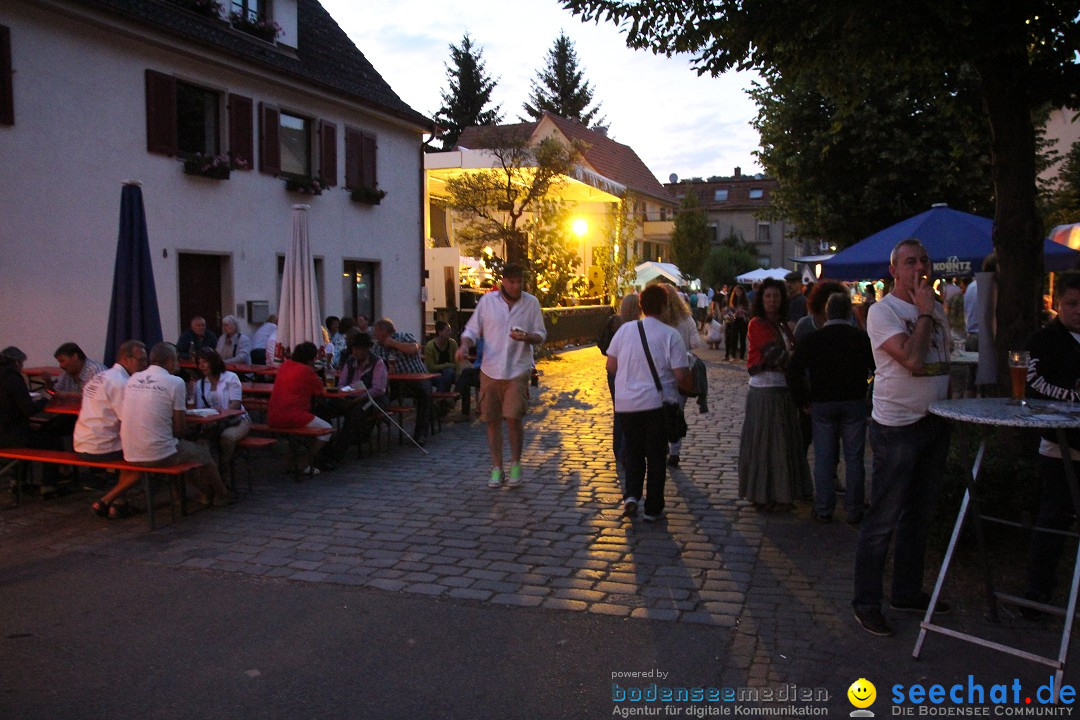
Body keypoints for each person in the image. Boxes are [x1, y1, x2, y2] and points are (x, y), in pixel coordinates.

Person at [852, 238, 952, 637]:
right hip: (897, 427)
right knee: (883, 519)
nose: (919, 267)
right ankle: (866, 602)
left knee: (919, 516)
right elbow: (911, 359)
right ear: (894, 270)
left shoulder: (938, 310)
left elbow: (940, 361)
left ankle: (907, 591)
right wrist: (925, 313)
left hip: (935, 421)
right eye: (910, 262)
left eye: (924, 260)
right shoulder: (883, 311)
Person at [605, 284, 693, 521]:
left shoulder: (624, 331)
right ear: (664, 307)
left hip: (626, 405)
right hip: (656, 405)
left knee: (633, 452)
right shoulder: (670, 335)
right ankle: (653, 508)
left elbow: (610, 366)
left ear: (641, 306)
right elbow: (680, 375)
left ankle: (632, 496)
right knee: (655, 456)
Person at [1021, 271, 1080, 618]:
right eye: (1072, 304)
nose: (1078, 311)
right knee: (1053, 519)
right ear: (1058, 304)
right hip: (1060, 446)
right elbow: (1034, 386)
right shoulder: (1043, 340)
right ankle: (1037, 590)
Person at [786, 293, 874, 524]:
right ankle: (854, 510)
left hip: (822, 403)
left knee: (823, 457)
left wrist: (803, 400)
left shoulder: (814, 339)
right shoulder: (861, 339)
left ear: (827, 312)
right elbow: (874, 371)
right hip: (854, 402)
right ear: (848, 313)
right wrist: (865, 387)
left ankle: (824, 508)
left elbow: (793, 370)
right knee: (854, 459)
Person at [457, 263, 547, 488]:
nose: (516, 286)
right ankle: (497, 467)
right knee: (491, 420)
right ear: (503, 281)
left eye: (519, 282)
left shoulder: (531, 303)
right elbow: (472, 330)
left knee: (514, 419)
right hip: (490, 369)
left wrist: (527, 337)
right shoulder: (488, 302)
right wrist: (465, 345)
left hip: (518, 368)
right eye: (512, 282)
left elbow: (541, 334)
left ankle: (516, 464)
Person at [120, 342, 234, 506]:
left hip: (129, 451)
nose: (179, 364)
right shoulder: (175, 382)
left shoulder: (133, 379)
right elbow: (180, 429)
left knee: (184, 450)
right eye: (177, 360)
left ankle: (196, 494)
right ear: (168, 361)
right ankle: (222, 495)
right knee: (201, 453)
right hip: (158, 453)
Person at [737, 277, 811, 511]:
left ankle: (782, 493)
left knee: (783, 444)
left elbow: (791, 354)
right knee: (766, 444)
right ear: (761, 299)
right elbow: (775, 355)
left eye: (776, 296)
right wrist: (795, 362)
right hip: (765, 390)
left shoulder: (782, 324)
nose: (772, 300)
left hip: (784, 390)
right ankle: (763, 494)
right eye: (768, 296)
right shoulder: (757, 324)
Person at [77, 340, 148, 519]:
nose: (145, 365)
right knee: (145, 459)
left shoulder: (101, 376)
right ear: (126, 359)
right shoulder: (122, 383)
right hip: (100, 445)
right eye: (141, 360)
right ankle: (106, 500)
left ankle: (119, 504)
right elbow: (128, 420)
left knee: (130, 449)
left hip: (82, 441)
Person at [0, 346, 64, 495]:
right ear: (17, 363)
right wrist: (46, 399)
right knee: (51, 441)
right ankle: (49, 486)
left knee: (30, 436)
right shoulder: (13, 379)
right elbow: (29, 410)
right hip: (10, 436)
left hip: (5, 433)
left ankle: (17, 482)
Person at [267, 342, 335, 474]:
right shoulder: (307, 371)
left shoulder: (284, 365)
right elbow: (319, 390)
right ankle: (304, 462)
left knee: (299, 433)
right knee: (327, 429)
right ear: (311, 359)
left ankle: (291, 462)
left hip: (273, 415)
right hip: (293, 416)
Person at [371, 318, 433, 446]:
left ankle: (420, 434)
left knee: (424, 393)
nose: (374, 334)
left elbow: (413, 349)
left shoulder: (403, 336)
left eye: (376, 331)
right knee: (376, 395)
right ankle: (368, 430)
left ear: (384, 330)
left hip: (418, 377)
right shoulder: (377, 348)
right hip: (395, 383)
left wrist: (393, 343)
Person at [328, 332, 388, 458]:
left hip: (372, 400)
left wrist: (355, 400)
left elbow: (378, 389)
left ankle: (337, 454)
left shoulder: (377, 363)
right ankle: (324, 448)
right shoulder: (350, 361)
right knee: (325, 408)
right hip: (350, 397)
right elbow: (342, 383)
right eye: (353, 348)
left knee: (355, 413)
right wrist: (343, 394)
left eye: (358, 348)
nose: (355, 352)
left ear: (366, 349)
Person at [660, 283, 699, 467]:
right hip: (683, 370)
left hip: (662, 372)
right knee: (677, 412)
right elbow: (695, 343)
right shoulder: (687, 319)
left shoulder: (659, 320)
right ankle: (675, 449)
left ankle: (663, 444)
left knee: (660, 410)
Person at [192, 348, 251, 470]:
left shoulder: (231, 378)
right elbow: (200, 408)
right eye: (199, 362)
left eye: (205, 362)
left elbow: (236, 403)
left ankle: (224, 469)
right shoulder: (200, 384)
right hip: (214, 423)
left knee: (227, 437)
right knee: (201, 442)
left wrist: (220, 417)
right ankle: (209, 471)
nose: (201, 366)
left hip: (237, 420)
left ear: (214, 362)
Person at [601, 294, 641, 467]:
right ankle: (626, 452)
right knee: (630, 413)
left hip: (613, 371)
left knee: (619, 411)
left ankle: (618, 450)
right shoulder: (638, 327)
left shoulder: (616, 322)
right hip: (629, 371)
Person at [448, 339, 484, 422]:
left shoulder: (492, 340)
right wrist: (469, 358)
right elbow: (478, 359)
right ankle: (456, 399)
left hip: (490, 372)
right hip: (479, 370)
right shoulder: (479, 340)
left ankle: (455, 399)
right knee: (465, 374)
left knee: (465, 376)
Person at [424, 321, 459, 393]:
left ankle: (440, 400)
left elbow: (457, 363)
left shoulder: (453, 343)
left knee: (449, 373)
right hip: (433, 374)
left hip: (450, 374)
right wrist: (447, 365)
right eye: (447, 330)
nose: (450, 332)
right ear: (440, 332)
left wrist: (458, 376)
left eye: (450, 330)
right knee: (444, 377)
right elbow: (431, 367)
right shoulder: (430, 346)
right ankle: (443, 400)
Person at [724, 285, 750, 361]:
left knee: (742, 339)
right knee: (733, 338)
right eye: (736, 291)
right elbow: (729, 311)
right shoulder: (732, 301)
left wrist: (743, 311)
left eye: (739, 291)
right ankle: (733, 355)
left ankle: (742, 356)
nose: (738, 293)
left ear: (742, 292)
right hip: (734, 320)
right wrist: (732, 314)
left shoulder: (745, 301)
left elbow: (749, 311)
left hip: (743, 320)